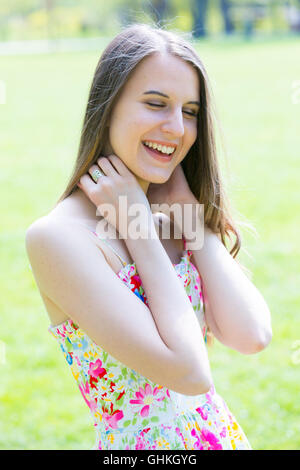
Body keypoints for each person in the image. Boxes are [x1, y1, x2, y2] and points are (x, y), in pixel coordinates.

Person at [25, 23, 272, 450]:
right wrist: (138, 229)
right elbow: (190, 373)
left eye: (190, 111)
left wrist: (192, 222)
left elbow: (251, 335)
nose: (177, 129)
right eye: (156, 104)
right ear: (108, 107)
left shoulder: (173, 214)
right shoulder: (58, 238)